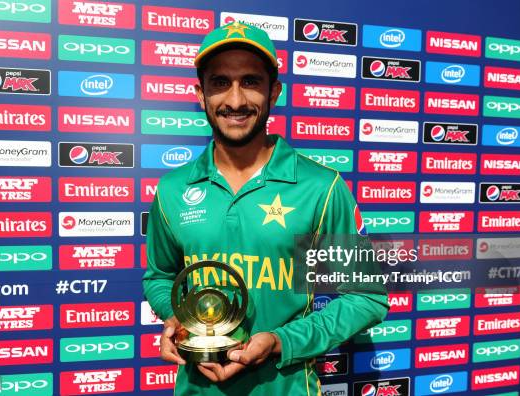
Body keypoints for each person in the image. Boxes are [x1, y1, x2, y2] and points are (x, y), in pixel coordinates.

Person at [142, 21, 389, 395]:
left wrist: (282, 341)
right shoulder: (173, 189)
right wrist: (177, 316)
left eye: (251, 82)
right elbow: (160, 277)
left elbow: (366, 297)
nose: (236, 100)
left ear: (274, 91)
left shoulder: (321, 187)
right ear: (200, 93)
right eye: (220, 82)